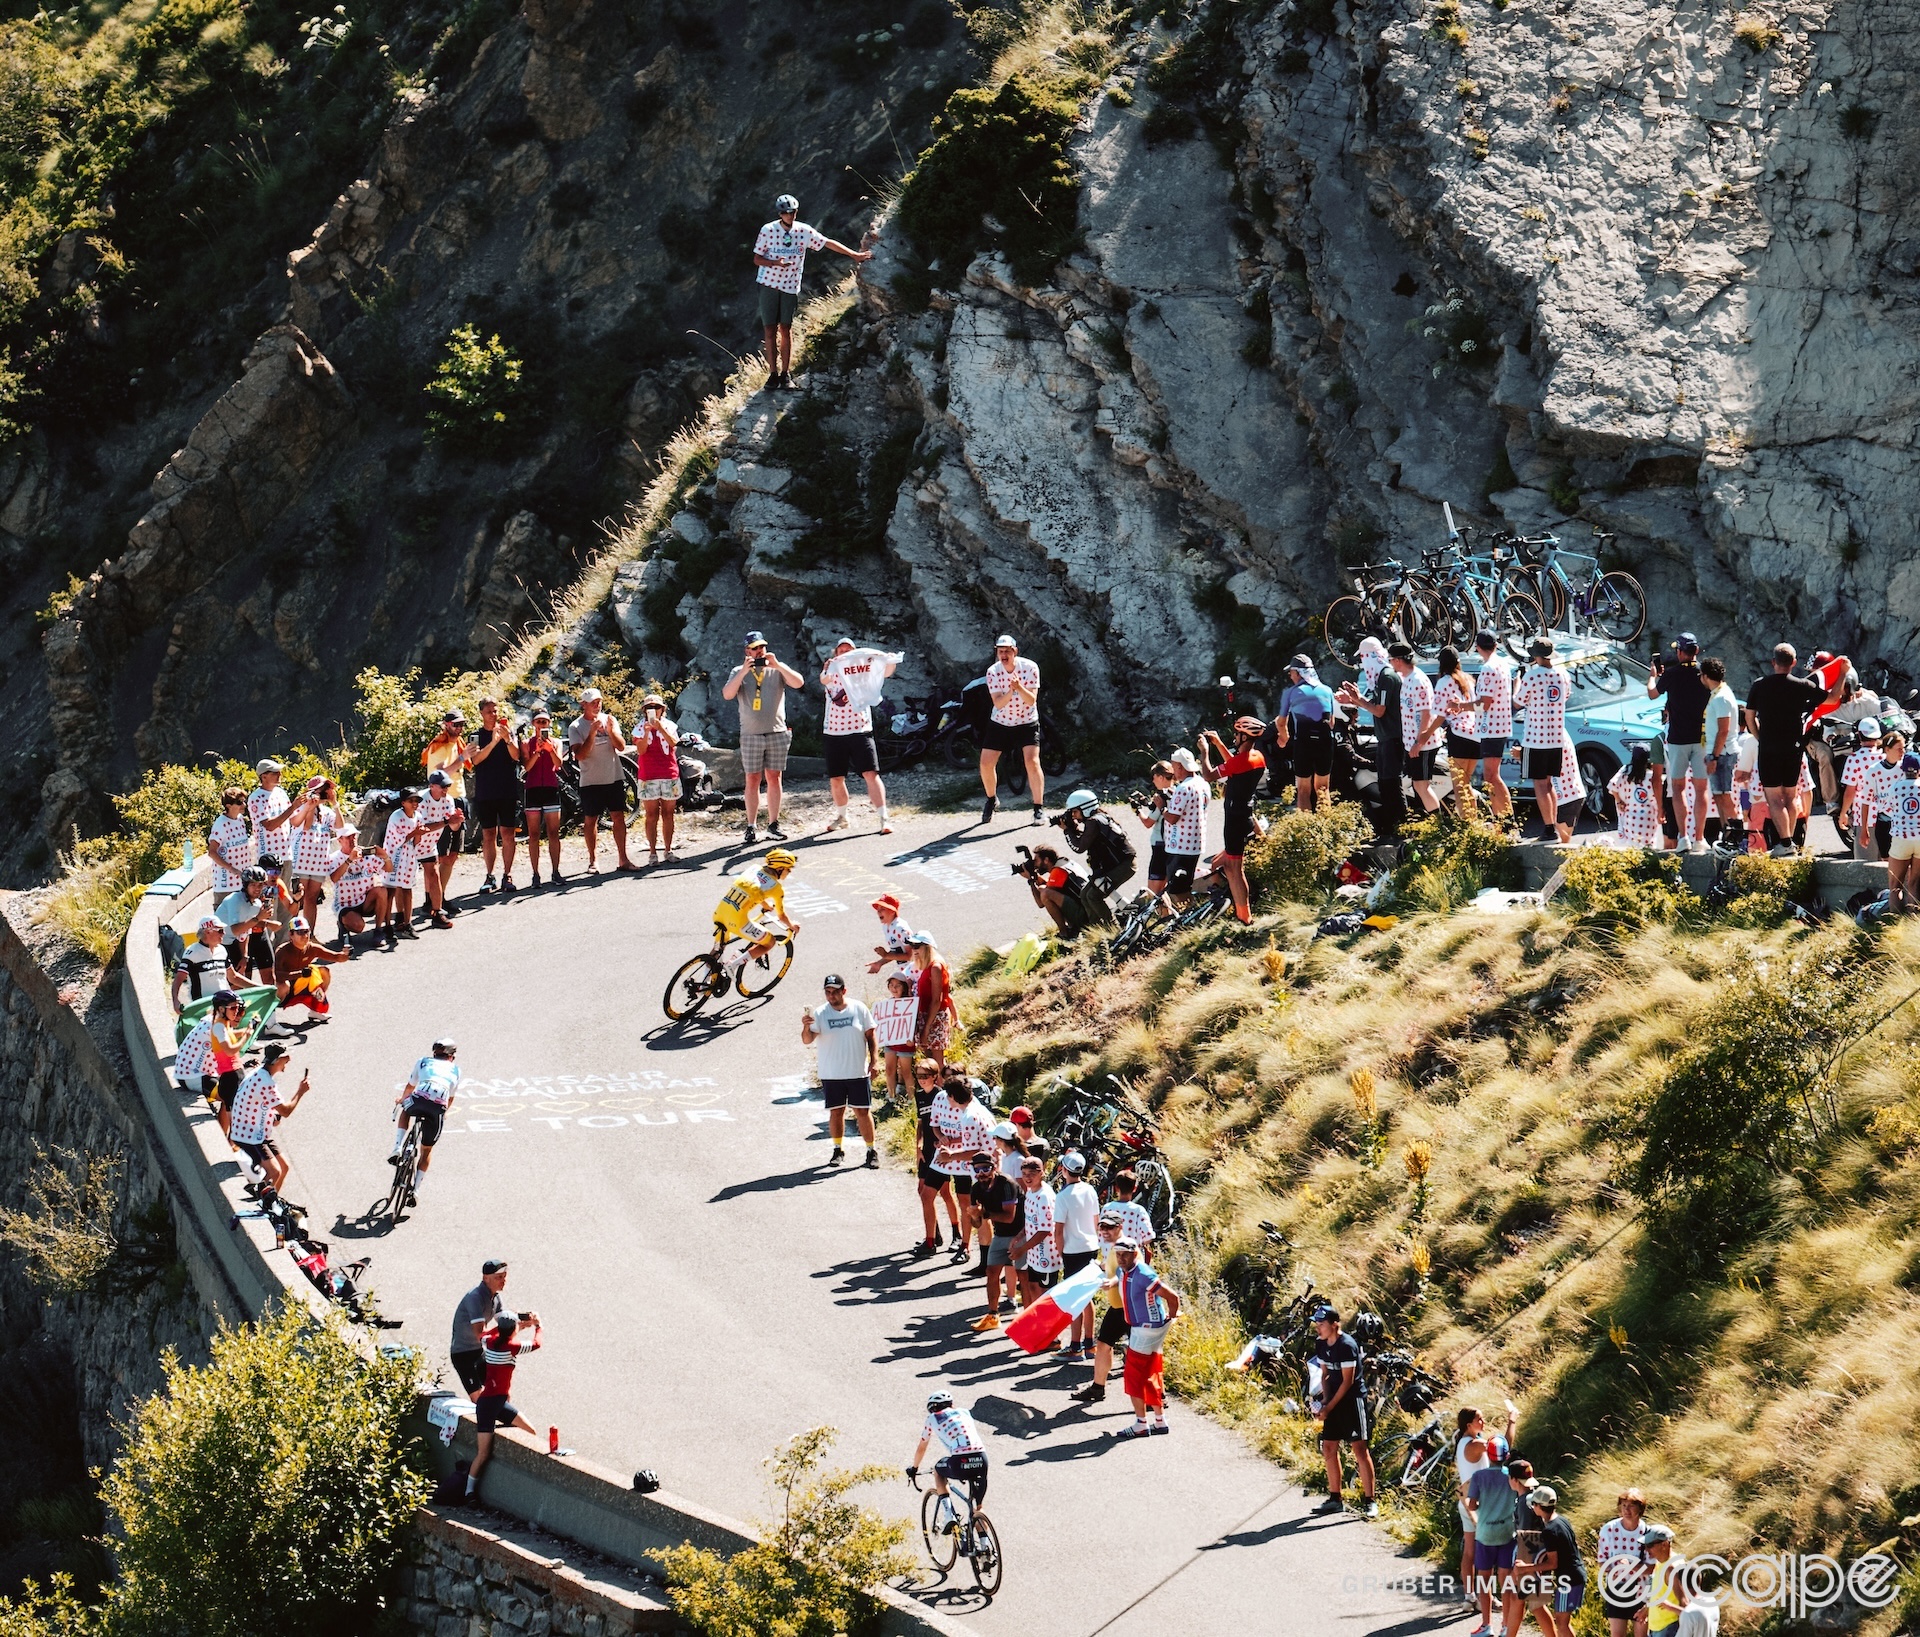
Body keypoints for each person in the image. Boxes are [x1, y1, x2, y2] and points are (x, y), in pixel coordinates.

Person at [752, 194, 872, 391]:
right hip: (769, 285)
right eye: (785, 212)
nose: (788, 215)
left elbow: (827, 242)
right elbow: (757, 259)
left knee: (786, 329)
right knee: (769, 330)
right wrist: (775, 263)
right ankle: (772, 375)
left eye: (791, 212)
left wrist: (854, 255)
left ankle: (785, 374)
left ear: (796, 212)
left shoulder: (803, 231)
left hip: (790, 286)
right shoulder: (768, 230)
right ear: (779, 213)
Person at [1746, 643, 1846, 852]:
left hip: (1770, 748)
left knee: (1774, 798)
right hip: (1794, 747)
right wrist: (1843, 672)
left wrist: (1760, 737)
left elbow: (1749, 716)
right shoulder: (1802, 685)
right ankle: (1790, 842)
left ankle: (1785, 843)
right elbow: (1834, 697)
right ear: (1793, 663)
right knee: (1791, 796)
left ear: (1773, 662)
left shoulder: (1759, 685)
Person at [721, 632, 802, 843]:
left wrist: (778, 664)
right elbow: (728, 694)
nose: (760, 651)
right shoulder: (738, 671)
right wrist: (743, 672)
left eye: (762, 647)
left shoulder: (776, 670)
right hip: (751, 735)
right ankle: (751, 826)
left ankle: (773, 824)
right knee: (752, 779)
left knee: (774, 778)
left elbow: (798, 682)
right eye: (755, 648)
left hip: (777, 731)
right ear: (747, 651)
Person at [819, 638, 898, 834]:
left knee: (870, 774)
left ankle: (883, 818)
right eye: (841, 650)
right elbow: (824, 680)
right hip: (834, 732)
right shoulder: (831, 666)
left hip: (860, 729)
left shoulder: (863, 670)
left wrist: (888, 660)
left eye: (849, 650)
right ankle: (842, 816)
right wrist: (831, 667)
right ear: (836, 653)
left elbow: (885, 672)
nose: (845, 653)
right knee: (836, 778)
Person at [802, 974, 878, 1168]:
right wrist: (805, 1027)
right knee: (836, 1112)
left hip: (857, 1072)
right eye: (828, 992)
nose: (831, 996)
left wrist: (874, 1061)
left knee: (862, 1111)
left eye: (835, 992)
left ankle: (871, 1151)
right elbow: (807, 1040)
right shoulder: (820, 1013)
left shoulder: (859, 1008)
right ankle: (837, 1150)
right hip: (831, 1074)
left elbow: (871, 1035)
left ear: (844, 991)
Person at [1455, 1403, 1518, 1634]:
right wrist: (1512, 1421)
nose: (1483, 1422)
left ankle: (1470, 1597)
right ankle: (1481, 1601)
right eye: (1479, 1419)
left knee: (1470, 1552)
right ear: (1468, 1424)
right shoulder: (1474, 1444)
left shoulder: (1465, 1441)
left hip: (1468, 1499)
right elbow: (1503, 1447)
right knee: (1478, 1554)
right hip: (1481, 1505)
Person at [1198, 719, 1268, 924]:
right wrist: (1219, 743)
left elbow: (1209, 775)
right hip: (1244, 816)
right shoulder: (1257, 757)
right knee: (1223, 866)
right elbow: (1234, 766)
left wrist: (1205, 752)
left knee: (1236, 871)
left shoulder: (1241, 761)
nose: (1235, 738)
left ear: (1244, 737)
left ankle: (1244, 917)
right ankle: (1232, 906)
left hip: (1234, 821)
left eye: (1237, 735)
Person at [468, 1311, 543, 1501]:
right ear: (513, 1331)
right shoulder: (512, 1347)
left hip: (489, 1403)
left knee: (484, 1453)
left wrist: (516, 1325)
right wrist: (537, 1326)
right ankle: (470, 1491)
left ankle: (469, 1491)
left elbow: (485, 1334)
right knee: (528, 1433)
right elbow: (536, 1343)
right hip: (496, 1404)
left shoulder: (489, 1343)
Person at [1108, 1236, 1178, 1437]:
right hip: (1144, 1328)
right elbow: (1121, 1278)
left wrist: (1171, 1318)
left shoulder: (1143, 1274)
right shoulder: (1125, 1271)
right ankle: (1159, 1420)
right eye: (1118, 1255)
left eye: (1125, 1255)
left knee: (1133, 1377)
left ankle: (1141, 1423)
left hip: (1145, 1329)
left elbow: (1173, 1297)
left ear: (1134, 1253)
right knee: (1150, 1372)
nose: (1121, 1259)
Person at [1310, 1305, 1377, 1515]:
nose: (1318, 1328)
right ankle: (1335, 1498)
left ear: (1334, 1324)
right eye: (1317, 1324)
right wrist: (1323, 1404)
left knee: (1359, 1449)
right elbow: (1325, 1375)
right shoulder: (1321, 1344)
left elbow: (1347, 1382)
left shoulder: (1347, 1345)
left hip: (1352, 1401)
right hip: (1334, 1402)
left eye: (1322, 1324)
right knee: (1328, 1447)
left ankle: (1370, 1501)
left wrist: (1329, 1406)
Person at [1649, 633, 1713, 852]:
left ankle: (1683, 837)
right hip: (1701, 738)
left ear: (1679, 652)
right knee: (1701, 788)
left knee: (1678, 788)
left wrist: (1653, 676)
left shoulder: (1672, 675)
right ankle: (1700, 838)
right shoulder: (1704, 673)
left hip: (1677, 739)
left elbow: (1652, 694)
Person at [1336, 643, 1407, 837]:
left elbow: (1379, 710)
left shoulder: (1386, 677)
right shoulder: (1380, 678)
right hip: (1385, 738)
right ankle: (1390, 828)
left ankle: (1402, 828)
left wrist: (1357, 699)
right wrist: (1352, 700)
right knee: (1385, 784)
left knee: (1392, 784)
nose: (1363, 663)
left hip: (1393, 738)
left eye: (1364, 658)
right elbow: (1372, 704)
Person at [228, 1044, 310, 1198]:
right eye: (286, 1057)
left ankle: (272, 1203)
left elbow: (263, 1105)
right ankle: (260, 1203)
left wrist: (273, 1117)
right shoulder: (265, 1082)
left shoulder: (260, 1073)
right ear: (277, 1060)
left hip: (255, 1131)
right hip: (248, 1135)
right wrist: (300, 1092)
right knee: (274, 1172)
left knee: (284, 1168)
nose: (290, 1059)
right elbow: (285, 1111)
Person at [387, 1038, 461, 1206]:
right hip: (438, 1108)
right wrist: (444, 1113)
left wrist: (402, 1099)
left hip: (419, 1099)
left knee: (406, 1109)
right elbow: (450, 1097)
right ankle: (416, 1190)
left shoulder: (423, 1062)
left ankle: (397, 1148)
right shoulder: (456, 1070)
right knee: (426, 1150)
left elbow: (410, 1086)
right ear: (451, 1057)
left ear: (434, 1053)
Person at [568, 688, 635, 871]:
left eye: (599, 701)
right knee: (591, 820)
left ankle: (623, 859)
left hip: (613, 777)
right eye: (593, 702)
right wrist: (592, 733)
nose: (597, 705)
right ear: (584, 705)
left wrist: (611, 732)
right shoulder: (575, 726)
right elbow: (580, 755)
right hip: (590, 780)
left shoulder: (610, 720)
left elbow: (621, 747)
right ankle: (593, 860)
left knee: (618, 817)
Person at [980, 635, 1044, 825]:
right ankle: (991, 799)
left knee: (1032, 762)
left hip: (1026, 720)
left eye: (1007, 651)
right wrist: (1011, 690)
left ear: (1015, 651)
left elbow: (1031, 700)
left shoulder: (1030, 668)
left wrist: (1019, 687)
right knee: (985, 763)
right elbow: (998, 703)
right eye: (1000, 651)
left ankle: (1038, 809)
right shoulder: (993, 672)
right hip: (1001, 721)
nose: (1004, 655)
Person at [1513, 638, 1573, 842]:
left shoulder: (1531, 676)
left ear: (1535, 656)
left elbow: (1518, 702)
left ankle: (1549, 830)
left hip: (1536, 738)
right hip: (1556, 737)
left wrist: (1517, 684)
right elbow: (1565, 698)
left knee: (1540, 785)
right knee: (1549, 784)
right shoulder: (1563, 675)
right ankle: (1552, 826)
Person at [929, 1075, 992, 1263]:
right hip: (988, 1169)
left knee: (981, 1215)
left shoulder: (969, 1117)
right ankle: (985, 1262)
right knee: (982, 1214)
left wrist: (950, 1157)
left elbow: (973, 1151)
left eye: (948, 1096)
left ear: (954, 1097)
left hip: (986, 1172)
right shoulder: (975, 1109)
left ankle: (986, 1263)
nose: (947, 1100)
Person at [1071, 1208, 1132, 1403]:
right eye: (1102, 1227)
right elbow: (1114, 1266)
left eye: (1110, 1227)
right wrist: (1101, 1266)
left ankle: (1155, 1396)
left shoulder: (1124, 1246)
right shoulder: (1114, 1248)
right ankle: (1098, 1388)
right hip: (1119, 1308)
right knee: (1104, 1345)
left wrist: (1112, 1281)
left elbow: (1128, 1271)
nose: (1105, 1231)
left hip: (1129, 1308)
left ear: (1120, 1227)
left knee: (1139, 1353)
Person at [907, 1389, 988, 1527]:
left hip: (959, 1461)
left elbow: (922, 1447)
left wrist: (914, 1468)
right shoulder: (965, 1412)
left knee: (938, 1471)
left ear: (933, 1408)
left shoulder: (932, 1418)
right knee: (978, 1509)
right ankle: (985, 1544)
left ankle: (949, 1514)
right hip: (981, 1459)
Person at [910, 1060, 964, 1257]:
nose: (922, 1080)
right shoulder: (919, 1096)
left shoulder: (941, 1095)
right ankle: (933, 1235)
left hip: (942, 1150)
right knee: (922, 1190)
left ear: (935, 1076)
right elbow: (921, 1123)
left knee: (945, 1192)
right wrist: (918, 1145)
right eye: (919, 1076)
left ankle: (956, 1233)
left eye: (926, 1076)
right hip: (927, 1149)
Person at [712, 849, 800, 969]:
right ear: (779, 869)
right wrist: (793, 926)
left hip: (720, 913)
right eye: (788, 869)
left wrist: (765, 905)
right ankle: (732, 965)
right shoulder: (776, 888)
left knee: (717, 951)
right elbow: (781, 916)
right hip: (737, 922)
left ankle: (703, 983)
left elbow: (751, 888)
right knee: (770, 942)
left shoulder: (753, 868)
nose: (789, 872)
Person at [468, 698, 522, 892]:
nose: (494, 714)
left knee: (508, 834)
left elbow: (516, 756)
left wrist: (506, 739)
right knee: (488, 834)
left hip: (507, 791)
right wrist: (493, 742)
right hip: (486, 792)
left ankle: (507, 875)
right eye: (489, 711)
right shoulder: (475, 736)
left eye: (495, 710)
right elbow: (476, 760)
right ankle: (489, 876)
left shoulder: (509, 732)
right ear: (481, 714)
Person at [1465, 1453, 1520, 1636]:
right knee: (1505, 1581)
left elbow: (1472, 1505)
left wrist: (1477, 1502)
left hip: (1485, 1534)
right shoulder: (1511, 1475)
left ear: (1488, 1455)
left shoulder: (1479, 1476)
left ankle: (1486, 1625)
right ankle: (1505, 1625)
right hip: (1507, 1534)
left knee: (1484, 1580)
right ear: (1507, 1455)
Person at [1053, 1151, 1101, 1356]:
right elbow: (1096, 1221)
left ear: (1064, 1170)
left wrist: (1060, 1252)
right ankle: (1089, 1342)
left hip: (1072, 1251)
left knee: (1074, 1299)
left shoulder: (1063, 1196)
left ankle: (1075, 1346)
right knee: (1087, 1296)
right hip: (1091, 1247)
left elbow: (1058, 1230)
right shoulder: (1090, 1190)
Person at [421, 711, 471, 906]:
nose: (459, 728)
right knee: (439, 855)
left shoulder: (458, 744)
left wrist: (464, 756)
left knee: (452, 854)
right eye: (455, 724)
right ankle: (431, 900)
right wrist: (461, 758)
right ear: (446, 724)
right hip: (443, 801)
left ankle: (439, 898)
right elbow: (439, 775)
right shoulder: (437, 747)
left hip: (459, 798)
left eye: (461, 725)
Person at [1274, 656, 1335, 811]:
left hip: (1304, 741)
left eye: (1291, 673)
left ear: (1299, 673)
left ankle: (1306, 829)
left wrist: (1285, 739)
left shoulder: (1290, 692)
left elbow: (1281, 723)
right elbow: (1332, 723)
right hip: (1325, 742)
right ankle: (1328, 827)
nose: (1290, 676)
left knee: (1303, 790)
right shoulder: (1327, 690)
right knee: (1323, 788)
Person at [1527, 1486, 1586, 1637]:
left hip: (1569, 1579)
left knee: (1561, 1622)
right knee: (1562, 1620)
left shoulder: (1549, 1531)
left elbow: (1553, 1563)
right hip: (1576, 1574)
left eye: (1534, 1504)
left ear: (1539, 1506)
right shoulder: (1562, 1521)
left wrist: (1526, 1568)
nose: (1533, 1507)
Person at [1055, 789, 1136, 897]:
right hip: (1121, 863)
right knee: (1084, 894)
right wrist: (1073, 828)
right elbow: (1089, 838)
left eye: (1075, 812)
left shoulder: (1093, 822)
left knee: (1093, 896)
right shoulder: (1099, 817)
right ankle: (1120, 910)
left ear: (1085, 809)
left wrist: (1067, 830)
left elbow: (1079, 847)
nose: (1073, 816)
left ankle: (1107, 915)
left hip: (1123, 865)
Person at [971, 1151, 1019, 1331]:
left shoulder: (1007, 1184)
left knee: (1024, 1277)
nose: (982, 1172)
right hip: (1000, 1235)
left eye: (986, 1168)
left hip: (1020, 1233)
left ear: (994, 1168)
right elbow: (976, 1223)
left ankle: (1028, 1318)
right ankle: (992, 1315)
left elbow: (1009, 1217)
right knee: (991, 1272)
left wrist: (984, 1213)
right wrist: (974, 1215)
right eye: (978, 1169)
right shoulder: (976, 1188)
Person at [449, 1257, 511, 1397]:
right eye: (499, 1277)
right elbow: (480, 1334)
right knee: (478, 1397)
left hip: (478, 1351)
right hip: (462, 1354)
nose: (503, 1280)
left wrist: (521, 1323)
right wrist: (505, 1328)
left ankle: (507, 1418)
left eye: (504, 1276)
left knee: (501, 1392)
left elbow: (505, 1324)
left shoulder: (495, 1298)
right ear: (486, 1278)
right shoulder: (475, 1298)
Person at [1429, 647, 1480, 816]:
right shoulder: (1468, 680)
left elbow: (1439, 715)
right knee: (1467, 783)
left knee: (1459, 786)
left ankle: (1467, 825)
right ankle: (1475, 822)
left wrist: (1425, 735)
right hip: (1475, 734)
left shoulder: (1444, 681)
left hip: (1458, 735)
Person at [1471, 631, 1516, 819]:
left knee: (1490, 776)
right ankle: (1502, 819)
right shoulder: (1502, 663)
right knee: (1491, 775)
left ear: (1478, 647)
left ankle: (1506, 820)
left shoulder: (1489, 668)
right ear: (1496, 645)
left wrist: (1460, 706)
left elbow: (1485, 703)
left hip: (1492, 727)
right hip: (1497, 725)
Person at [1159, 749, 1211, 907]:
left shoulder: (1183, 788)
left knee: (1177, 889)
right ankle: (1189, 917)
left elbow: (1173, 818)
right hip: (1195, 843)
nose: (1173, 771)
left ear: (1181, 767)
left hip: (1180, 846)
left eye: (1174, 767)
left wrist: (1161, 807)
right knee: (1183, 885)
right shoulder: (1203, 784)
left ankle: (1189, 919)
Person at [518, 707, 565, 885]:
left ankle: (555, 871)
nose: (541, 725)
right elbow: (527, 767)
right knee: (534, 834)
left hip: (551, 788)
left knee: (553, 832)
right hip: (533, 789)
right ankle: (535, 874)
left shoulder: (556, 742)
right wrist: (537, 751)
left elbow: (558, 763)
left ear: (549, 723)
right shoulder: (526, 744)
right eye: (538, 722)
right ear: (533, 724)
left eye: (544, 721)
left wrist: (550, 749)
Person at [633, 693, 680, 863]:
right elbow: (641, 750)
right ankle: (652, 853)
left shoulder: (669, 725)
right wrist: (646, 733)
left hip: (669, 773)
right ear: (644, 711)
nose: (654, 710)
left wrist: (660, 728)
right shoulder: (639, 728)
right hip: (648, 774)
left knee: (668, 813)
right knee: (651, 814)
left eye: (657, 707)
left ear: (662, 710)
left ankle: (668, 850)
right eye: (649, 708)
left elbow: (674, 743)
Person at [271, 916, 349, 1019]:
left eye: (307, 931)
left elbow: (337, 957)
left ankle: (315, 1010)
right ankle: (271, 1019)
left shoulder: (312, 948)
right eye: (300, 932)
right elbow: (276, 975)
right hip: (286, 990)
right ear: (291, 934)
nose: (305, 935)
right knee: (283, 985)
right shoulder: (282, 951)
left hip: (302, 984)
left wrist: (346, 954)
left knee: (323, 972)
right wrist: (300, 974)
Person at [1009, 1155, 1060, 1308]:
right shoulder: (1030, 1192)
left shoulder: (1044, 1196)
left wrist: (1021, 1250)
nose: (1027, 1178)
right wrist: (1019, 1236)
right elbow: (1031, 1221)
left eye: (1032, 1174)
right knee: (1033, 1288)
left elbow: (1044, 1229)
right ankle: (1037, 1327)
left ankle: (1049, 1330)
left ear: (1041, 1173)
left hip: (1046, 1255)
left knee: (1045, 1294)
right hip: (1034, 1255)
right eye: (1024, 1174)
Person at [1598, 1488, 1650, 1637]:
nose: (1627, 1510)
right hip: (1616, 1588)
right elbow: (1602, 1562)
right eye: (1623, 1505)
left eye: (1631, 1505)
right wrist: (1615, 1568)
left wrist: (1631, 1566)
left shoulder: (1647, 1532)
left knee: (1641, 1635)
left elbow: (1652, 1567)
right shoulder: (1608, 1530)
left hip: (1641, 1590)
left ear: (1640, 1508)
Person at [326, 827, 391, 942]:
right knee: (358, 927)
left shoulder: (366, 855)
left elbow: (389, 869)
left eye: (354, 836)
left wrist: (385, 856)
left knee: (382, 891)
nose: (352, 839)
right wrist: (349, 860)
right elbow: (334, 878)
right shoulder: (333, 858)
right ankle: (343, 924)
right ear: (339, 840)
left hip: (364, 900)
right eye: (348, 837)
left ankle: (379, 930)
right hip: (345, 904)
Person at [414, 771, 461, 928]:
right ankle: (398, 921)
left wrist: (457, 820)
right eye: (442, 786)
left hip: (429, 845)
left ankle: (436, 911)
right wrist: (448, 821)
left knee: (433, 875)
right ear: (431, 786)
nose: (445, 789)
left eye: (447, 786)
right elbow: (424, 828)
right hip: (411, 845)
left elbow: (453, 828)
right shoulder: (421, 800)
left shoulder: (448, 800)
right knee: (403, 885)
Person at [1701, 657, 1740, 837]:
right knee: (1718, 795)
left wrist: (1714, 757)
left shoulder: (1722, 698)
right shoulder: (1717, 694)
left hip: (1723, 753)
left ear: (1706, 676)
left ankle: (1736, 834)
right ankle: (1727, 832)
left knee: (1725, 795)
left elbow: (1723, 730)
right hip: (1716, 752)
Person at [909, 931, 956, 1075]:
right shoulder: (927, 965)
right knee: (929, 1060)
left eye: (917, 946)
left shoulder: (935, 966)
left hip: (935, 1017)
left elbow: (937, 1000)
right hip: (927, 1015)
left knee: (937, 1061)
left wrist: (927, 1028)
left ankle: (943, 1091)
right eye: (912, 945)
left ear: (927, 946)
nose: (914, 949)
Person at [381, 789, 425, 942]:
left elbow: (416, 841)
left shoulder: (418, 816)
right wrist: (415, 832)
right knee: (390, 891)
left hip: (408, 858)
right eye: (411, 801)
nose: (415, 804)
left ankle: (407, 923)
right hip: (394, 856)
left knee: (407, 889)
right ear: (403, 803)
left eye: (416, 801)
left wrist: (419, 833)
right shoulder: (396, 817)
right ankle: (386, 925)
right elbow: (399, 840)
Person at [1839, 716, 1886, 859]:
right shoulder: (1886, 758)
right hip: (1887, 815)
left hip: (1864, 817)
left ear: (1859, 735)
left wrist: (1843, 813)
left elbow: (1850, 790)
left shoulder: (1854, 759)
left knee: (1865, 864)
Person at [172, 916, 234, 1015]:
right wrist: (175, 1000)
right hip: (202, 1009)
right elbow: (178, 979)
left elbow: (233, 977)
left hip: (223, 1006)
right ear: (208, 932)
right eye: (220, 931)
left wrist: (260, 987)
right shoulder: (192, 952)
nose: (224, 933)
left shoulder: (222, 950)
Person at [873, 972, 920, 1105]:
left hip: (905, 1044)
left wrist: (913, 1038)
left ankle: (912, 1100)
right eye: (891, 985)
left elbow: (914, 1024)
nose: (894, 988)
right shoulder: (886, 1005)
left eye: (898, 985)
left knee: (906, 1072)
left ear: (904, 987)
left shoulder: (910, 1005)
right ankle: (891, 1097)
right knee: (889, 1069)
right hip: (890, 1043)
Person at [1608, 743, 1664, 849]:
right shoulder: (1652, 776)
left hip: (1631, 817)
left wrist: (1619, 801)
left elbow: (1612, 786)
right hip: (1649, 818)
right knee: (1649, 848)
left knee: (1632, 848)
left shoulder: (1626, 772)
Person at [1883, 751, 1920, 912]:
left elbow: (1886, 809)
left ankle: (1894, 921)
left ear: (1903, 769)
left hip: (1900, 837)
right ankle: (1913, 921)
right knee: (1915, 882)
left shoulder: (1895, 787)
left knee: (1895, 885)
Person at [207, 786, 254, 896]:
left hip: (242, 882)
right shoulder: (221, 824)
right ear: (228, 805)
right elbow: (212, 852)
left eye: (244, 801)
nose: (244, 805)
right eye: (239, 802)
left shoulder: (240, 819)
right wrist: (231, 869)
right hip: (226, 884)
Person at [1641, 1525, 1685, 1637]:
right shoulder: (1660, 1562)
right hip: (1657, 1628)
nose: (1646, 1549)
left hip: (1669, 1628)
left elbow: (1684, 1602)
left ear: (1664, 1544)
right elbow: (1659, 1592)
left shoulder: (1672, 1568)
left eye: (1650, 1545)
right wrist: (1647, 1609)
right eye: (1645, 1545)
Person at [247, 759, 293, 851]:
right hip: (269, 855)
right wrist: (293, 807)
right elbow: (269, 826)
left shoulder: (281, 792)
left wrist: (308, 807)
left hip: (287, 853)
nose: (279, 775)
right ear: (264, 777)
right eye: (275, 773)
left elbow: (294, 820)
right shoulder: (255, 797)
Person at [866, 894, 914, 974]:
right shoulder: (886, 926)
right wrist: (880, 963)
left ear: (892, 911)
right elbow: (897, 952)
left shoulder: (901, 928)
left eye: (882, 909)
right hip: (905, 972)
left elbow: (911, 956)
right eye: (878, 909)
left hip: (914, 972)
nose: (878, 911)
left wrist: (886, 955)